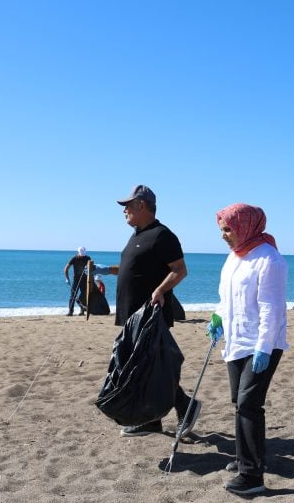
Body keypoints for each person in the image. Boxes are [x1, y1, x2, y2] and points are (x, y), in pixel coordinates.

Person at [105, 185, 200, 438]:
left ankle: (185, 405)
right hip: (130, 315)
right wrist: (106, 270)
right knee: (143, 370)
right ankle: (150, 421)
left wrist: (160, 290)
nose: (124, 210)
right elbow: (133, 268)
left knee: (154, 369)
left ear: (142, 206)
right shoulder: (136, 235)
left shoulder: (162, 235)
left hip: (149, 316)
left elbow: (179, 269)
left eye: (128, 206)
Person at [207, 203, 288, 496]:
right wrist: (217, 317)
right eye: (222, 230)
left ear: (245, 227)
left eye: (228, 229)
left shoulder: (270, 259)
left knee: (249, 404)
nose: (224, 235)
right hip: (236, 340)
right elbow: (225, 297)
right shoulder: (234, 258)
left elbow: (272, 309)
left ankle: (253, 476)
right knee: (238, 401)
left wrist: (264, 348)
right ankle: (244, 458)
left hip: (261, 344)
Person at [63, 247, 93, 316]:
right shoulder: (74, 258)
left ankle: (82, 310)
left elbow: (92, 267)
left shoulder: (87, 258)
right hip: (76, 279)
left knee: (83, 295)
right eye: (81, 254)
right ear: (78, 253)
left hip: (85, 279)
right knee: (73, 295)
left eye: (83, 254)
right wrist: (67, 279)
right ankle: (70, 311)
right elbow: (66, 269)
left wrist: (90, 274)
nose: (82, 256)